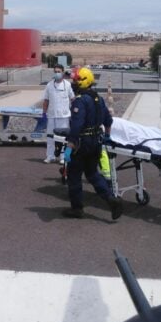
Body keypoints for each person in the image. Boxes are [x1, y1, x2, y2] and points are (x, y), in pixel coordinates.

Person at [63, 67, 122, 220]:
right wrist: (107, 137)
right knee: (93, 174)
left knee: (74, 175)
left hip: (82, 144)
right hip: (96, 142)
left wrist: (69, 148)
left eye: (76, 80)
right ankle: (111, 199)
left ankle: (77, 209)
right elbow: (108, 121)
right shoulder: (98, 99)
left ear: (84, 82)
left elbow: (76, 128)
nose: (73, 83)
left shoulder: (80, 101)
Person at [42, 64, 74, 163]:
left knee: (63, 138)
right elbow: (46, 100)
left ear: (63, 72)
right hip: (51, 115)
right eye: (55, 71)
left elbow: (72, 99)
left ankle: (62, 157)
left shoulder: (67, 85)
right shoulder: (49, 85)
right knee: (50, 137)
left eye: (59, 71)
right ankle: (50, 156)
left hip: (64, 116)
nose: (57, 73)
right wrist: (44, 113)